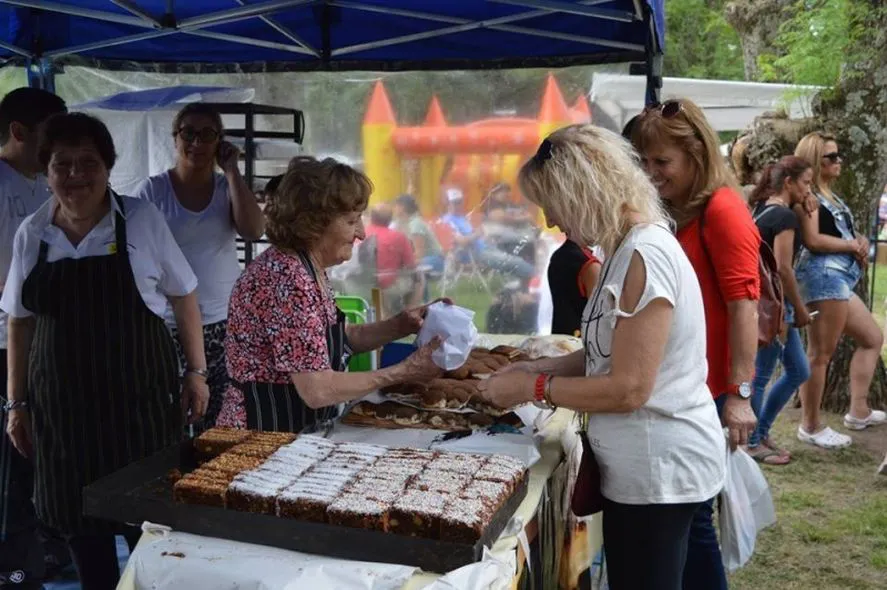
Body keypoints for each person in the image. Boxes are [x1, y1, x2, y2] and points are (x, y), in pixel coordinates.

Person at [478, 125, 725, 590]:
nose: (551, 221)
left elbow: (628, 387)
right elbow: (604, 353)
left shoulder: (644, 256)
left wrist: (533, 388)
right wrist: (535, 367)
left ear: (580, 191)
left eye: (551, 204)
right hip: (651, 469)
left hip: (659, 473)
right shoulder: (624, 249)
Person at [1, 113, 209, 590]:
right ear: (47, 169)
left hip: (139, 401)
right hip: (63, 411)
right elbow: (19, 320)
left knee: (150, 522)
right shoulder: (33, 233)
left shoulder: (140, 220)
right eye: (62, 164)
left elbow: (184, 295)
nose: (76, 175)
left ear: (108, 167)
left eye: (88, 162)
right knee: (80, 525)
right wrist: (16, 404)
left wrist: (196, 373)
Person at [630, 98, 758, 590]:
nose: (651, 172)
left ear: (697, 157)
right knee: (691, 522)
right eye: (643, 161)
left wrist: (740, 396)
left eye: (662, 162)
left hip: (709, 393)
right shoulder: (681, 210)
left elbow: (744, 305)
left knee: (694, 521)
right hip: (688, 386)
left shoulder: (723, 210)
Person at [217, 156, 444, 432]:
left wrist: (401, 324)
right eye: (351, 221)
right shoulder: (288, 280)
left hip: (292, 429)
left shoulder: (308, 268)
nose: (361, 233)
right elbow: (318, 389)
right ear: (314, 224)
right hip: (261, 435)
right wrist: (403, 372)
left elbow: (341, 338)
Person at [137, 103, 264, 431]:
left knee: (221, 420)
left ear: (219, 141)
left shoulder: (227, 188)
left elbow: (253, 230)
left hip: (224, 321)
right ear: (175, 138)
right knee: (173, 416)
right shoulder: (153, 190)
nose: (196, 142)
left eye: (207, 134)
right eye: (188, 133)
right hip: (170, 324)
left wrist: (233, 171)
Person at [0, 87, 66, 590]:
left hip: (48, 340)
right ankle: (18, 569)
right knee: (15, 462)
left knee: (47, 453)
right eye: (50, 133)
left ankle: (48, 548)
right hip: (7, 342)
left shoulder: (46, 184)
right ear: (18, 133)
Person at [793, 132, 885, 448]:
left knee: (872, 338)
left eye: (838, 155)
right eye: (831, 157)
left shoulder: (829, 195)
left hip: (839, 279)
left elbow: (838, 232)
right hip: (824, 277)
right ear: (815, 161)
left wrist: (857, 240)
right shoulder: (809, 197)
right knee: (820, 355)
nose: (838, 161)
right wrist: (850, 244)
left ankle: (858, 410)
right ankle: (811, 425)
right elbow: (813, 240)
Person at [746, 156, 816, 465]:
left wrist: (805, 202)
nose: (809, 190)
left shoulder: (764, 210)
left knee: (799, 370)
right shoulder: (784, 218)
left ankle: (760, 432)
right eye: (806, 183)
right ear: (788, 183)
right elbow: (783, 270)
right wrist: (799, 310)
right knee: (761, 376)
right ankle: (751, 442)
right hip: (776, 306)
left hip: (765, 302)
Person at [440, 188, 535, 283]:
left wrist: (480, 233)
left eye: (459, 202)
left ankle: (523, 282)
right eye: (455, 202)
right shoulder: (448, 221)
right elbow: (462, 241)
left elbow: (474, 233)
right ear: (448, 204)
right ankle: (539, 279)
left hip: (486, 246)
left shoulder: (461, 218)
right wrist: (477, 233)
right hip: (476, 253)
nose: (458, 205)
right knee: (516, 261)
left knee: (516, 246)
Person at [362, 203, 423, 315]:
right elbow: (411, 266)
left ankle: (386, 312)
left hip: (360, 284)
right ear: (390, 220)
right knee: (419, 278)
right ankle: (410, 314)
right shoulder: (398, 237)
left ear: (371, 217)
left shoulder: (361, 234)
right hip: (386, 286)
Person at [547, 239, 601, 337]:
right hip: (583, 344)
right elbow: (601, 319)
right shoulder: (589, 265)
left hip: (560, 340)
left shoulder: (558, 255)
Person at [393, 193, 444, 276]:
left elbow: (419, 253)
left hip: (433, 260)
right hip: (423, 259)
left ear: (402, 208)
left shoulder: (415, 224)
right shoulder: (402, 223)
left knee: (403, 268)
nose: (394, 208)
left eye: (395, 205)